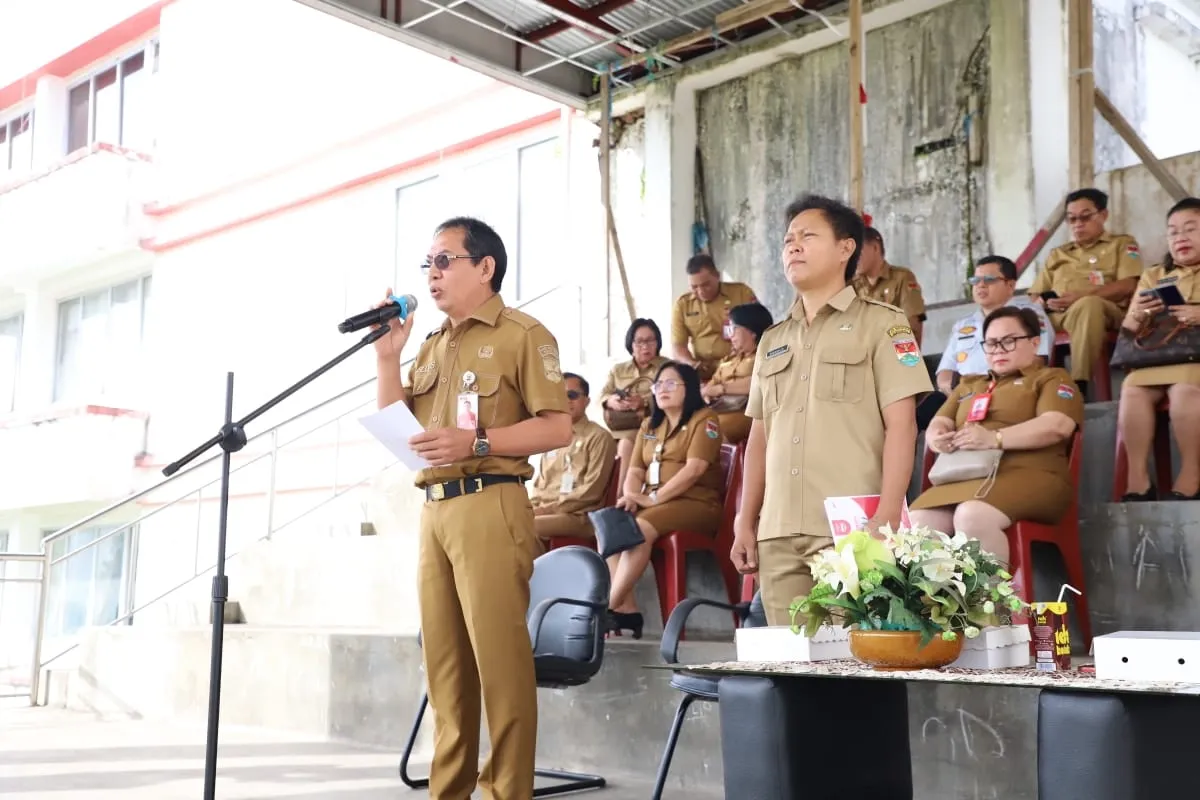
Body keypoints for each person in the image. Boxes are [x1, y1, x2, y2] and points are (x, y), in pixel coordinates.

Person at [372, 216, 572, 800]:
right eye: (427, 264)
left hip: (491, 503)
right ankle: (449, 791)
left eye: (444, 260)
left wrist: (477, 441)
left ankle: (505, 792)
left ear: (485, 268)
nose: (432, 274)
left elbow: (557, 427)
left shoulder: (523, 334)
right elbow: (397, 429)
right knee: (446, 671)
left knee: (500, 668)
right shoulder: (432, 344)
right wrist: (388, 358)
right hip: (434, 508)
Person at [731, 195, 933, 626]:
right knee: (790, 671)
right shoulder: (771, 339)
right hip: (779, 531)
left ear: (846, 248)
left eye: (807, 236)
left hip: (853, 528)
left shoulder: (885, 323)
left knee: (858, 668)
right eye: (787, 240)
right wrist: (745, 521)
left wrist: (888, 514)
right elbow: (759, 438)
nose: (793, 247)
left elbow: (903, 427)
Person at [909, 307, 1084, 563]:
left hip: (1030, 475)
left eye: (1009, 341)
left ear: (1035, 342)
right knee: (916, 524)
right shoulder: (970, 385)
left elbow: (1057, 425)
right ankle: (937, 602)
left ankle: (989, 602)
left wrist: (995, 438)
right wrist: (937, 437)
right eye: (991, 344)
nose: (998, 350)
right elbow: (940, 420)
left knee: (971, 516)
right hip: (965, 478)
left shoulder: (1052, 378)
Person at [607, 361, 724, 638]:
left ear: (690, 388)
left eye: (671, 384)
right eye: (658, 385)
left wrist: (654, 498)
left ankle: (605, 607)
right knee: (612, 528)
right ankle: (627, 609)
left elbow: (694, 469)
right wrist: (634, 495)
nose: (662, 390)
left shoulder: (704, 419)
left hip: (696, 503)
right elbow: (635, 469)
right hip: (655, 503)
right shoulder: (649, 425)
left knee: (640, 529)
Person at [1116, 196, 1200, 501]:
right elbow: (1129, 329)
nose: (1181, 238)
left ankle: (1192, 476)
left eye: (1191, 229)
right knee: (1132, 389)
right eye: (1174, 231)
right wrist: (1140, 311)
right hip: (1160, 355)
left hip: (1196, 360)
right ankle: (1138, 480)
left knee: (1184, 390)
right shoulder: (1155, 275)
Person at [1029, 188, 1143, 398]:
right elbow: (1035, 294)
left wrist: (1081, 297)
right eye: (1071, 219)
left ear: (1103, 215)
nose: (1078, 224)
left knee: (1089, 305)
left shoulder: (1122, 244)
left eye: (1085, 217)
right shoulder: (1059, 253)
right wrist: (1044, 302)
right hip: (1059, 315)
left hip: (1106, 312)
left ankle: (1079, 384)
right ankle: (1027, 389)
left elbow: (1129, 285)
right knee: (1017, 318)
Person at [919, 255, 1054, 429]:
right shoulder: (962, 325)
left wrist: (989, 386)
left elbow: (1038, 360)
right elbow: (945, 371)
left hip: (1005, 391)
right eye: (975, 280)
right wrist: (950, 389)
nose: (980, 285)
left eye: (989, 280)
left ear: (1010, 285)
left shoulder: (1029, 315)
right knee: (915, 417)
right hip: (962, 394)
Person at [530, 372, 619, 542]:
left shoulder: (599, 437)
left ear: (586, 400)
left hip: (580, 516)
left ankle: (537, 569)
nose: (566, 400)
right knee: (506, 523)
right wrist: (529, 508)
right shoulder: (552, 438)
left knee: (525, 527)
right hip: (546, 513)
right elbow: (539, 486)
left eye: (572, 395)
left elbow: (591, 492)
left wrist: (546, 510)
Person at [599, 318, 668, 491]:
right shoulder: (618, 370)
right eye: (640, 342)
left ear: (658, 342)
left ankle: (621, 498)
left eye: (650, 340)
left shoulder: (668, 368)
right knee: (596, 441)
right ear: (631, 343)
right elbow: (602, 395)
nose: (645, 346)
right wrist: (611, 401)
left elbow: (676, 398)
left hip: (653, 434)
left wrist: (644, 402)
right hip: (616, 429)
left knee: (627, 444)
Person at [670, 254, 757, 381]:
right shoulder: (683, 305)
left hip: (740, 366)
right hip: (702, 370)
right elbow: (678, 347)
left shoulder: (741, 293)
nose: (700, 291)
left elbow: (761, 328)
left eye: (706, 285)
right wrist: (691, 364)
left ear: (717, 276)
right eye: (694, 287)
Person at [700, 302, 774, 443]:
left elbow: (758, 382)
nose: (730, 335)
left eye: (734, 329)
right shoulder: (730, 359)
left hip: (747, 413)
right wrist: (708, 393)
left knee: (710, 431)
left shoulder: (767, 356)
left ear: (751, 331)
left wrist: (721, 389)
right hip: (719, 409)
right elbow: (710, 386)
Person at [852, 226, 928, 343]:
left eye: (858, 251)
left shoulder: (901, 278)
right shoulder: (852, 285)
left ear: (875, 248)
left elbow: (912, 328)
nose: (853, 258)